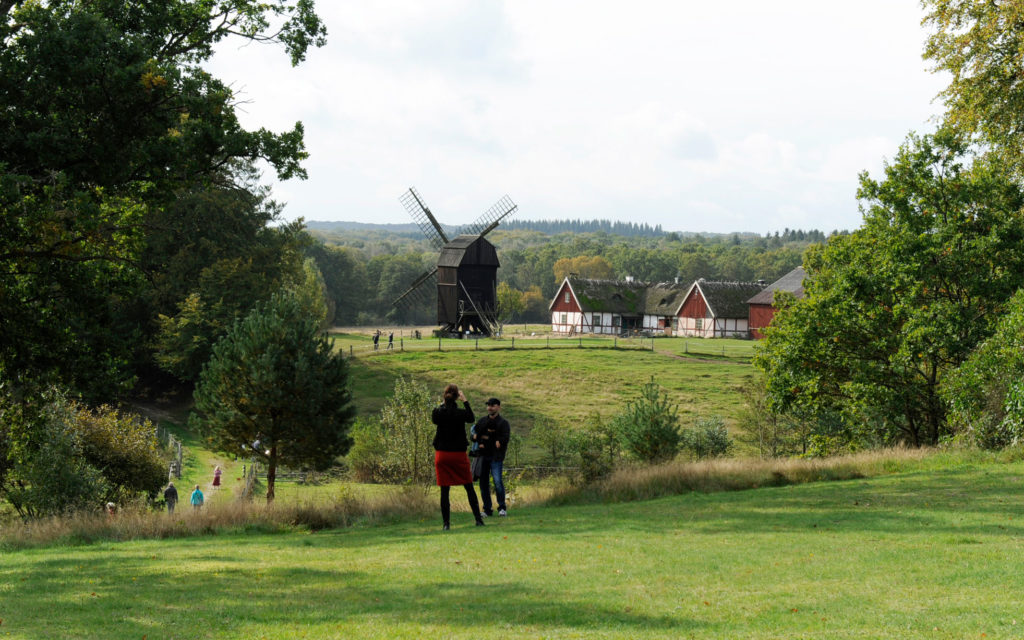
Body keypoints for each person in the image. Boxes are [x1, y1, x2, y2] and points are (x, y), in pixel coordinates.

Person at [431, 383, 484, 530]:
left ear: (445, 397)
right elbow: (472, 418)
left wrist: (443, 403)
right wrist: (465, 401)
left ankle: (446, 524)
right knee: (468, 487)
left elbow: (434, 418)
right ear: (456, 397)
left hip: (442, 455)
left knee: (444, 490)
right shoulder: (461, 413)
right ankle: (478, 520)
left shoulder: (439, 412)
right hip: (458, 455)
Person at [473, 397, 511, 517]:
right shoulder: (482, 421)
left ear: (498, 407)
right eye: (488, 405)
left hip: (496, 457)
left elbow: (506, 438)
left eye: (493, 405)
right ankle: (487, 509)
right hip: (483, 456)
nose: (490, 407)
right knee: (483, 484)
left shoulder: (503, 423)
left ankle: (502, 508)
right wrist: (479, 440)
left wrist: (499, 440)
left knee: (498, 482)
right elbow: (474, 435)